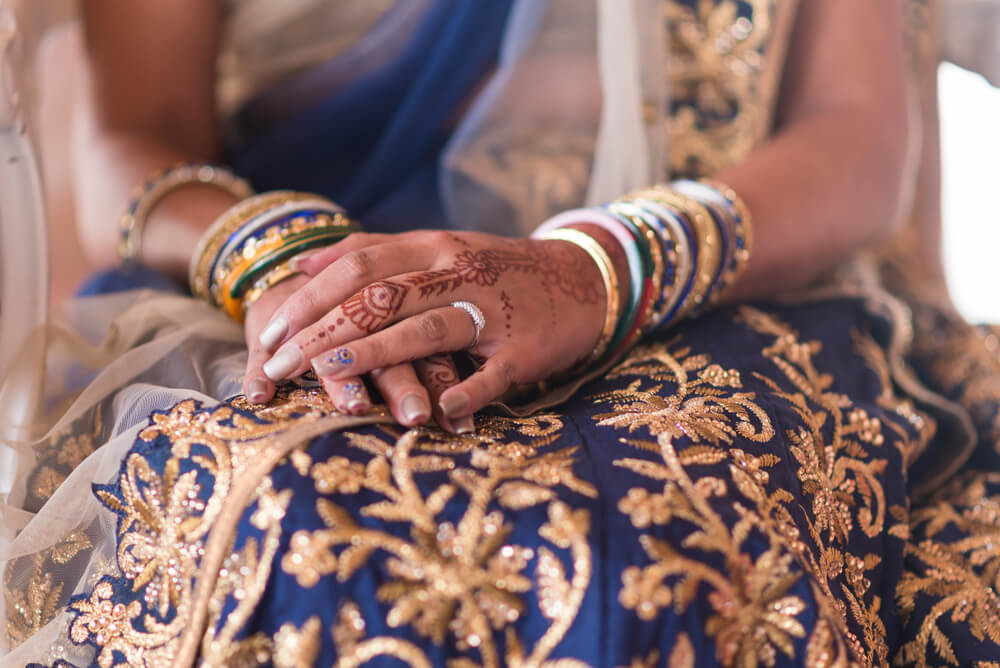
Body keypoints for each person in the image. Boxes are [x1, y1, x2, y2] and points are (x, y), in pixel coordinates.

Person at [3, 0, 1000, 666]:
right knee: (303, 525)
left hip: (721, 265)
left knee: (681, 534)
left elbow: (856, 136)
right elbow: (132, 132)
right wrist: (288, 265)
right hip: (307, 264)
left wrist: (597, 269)